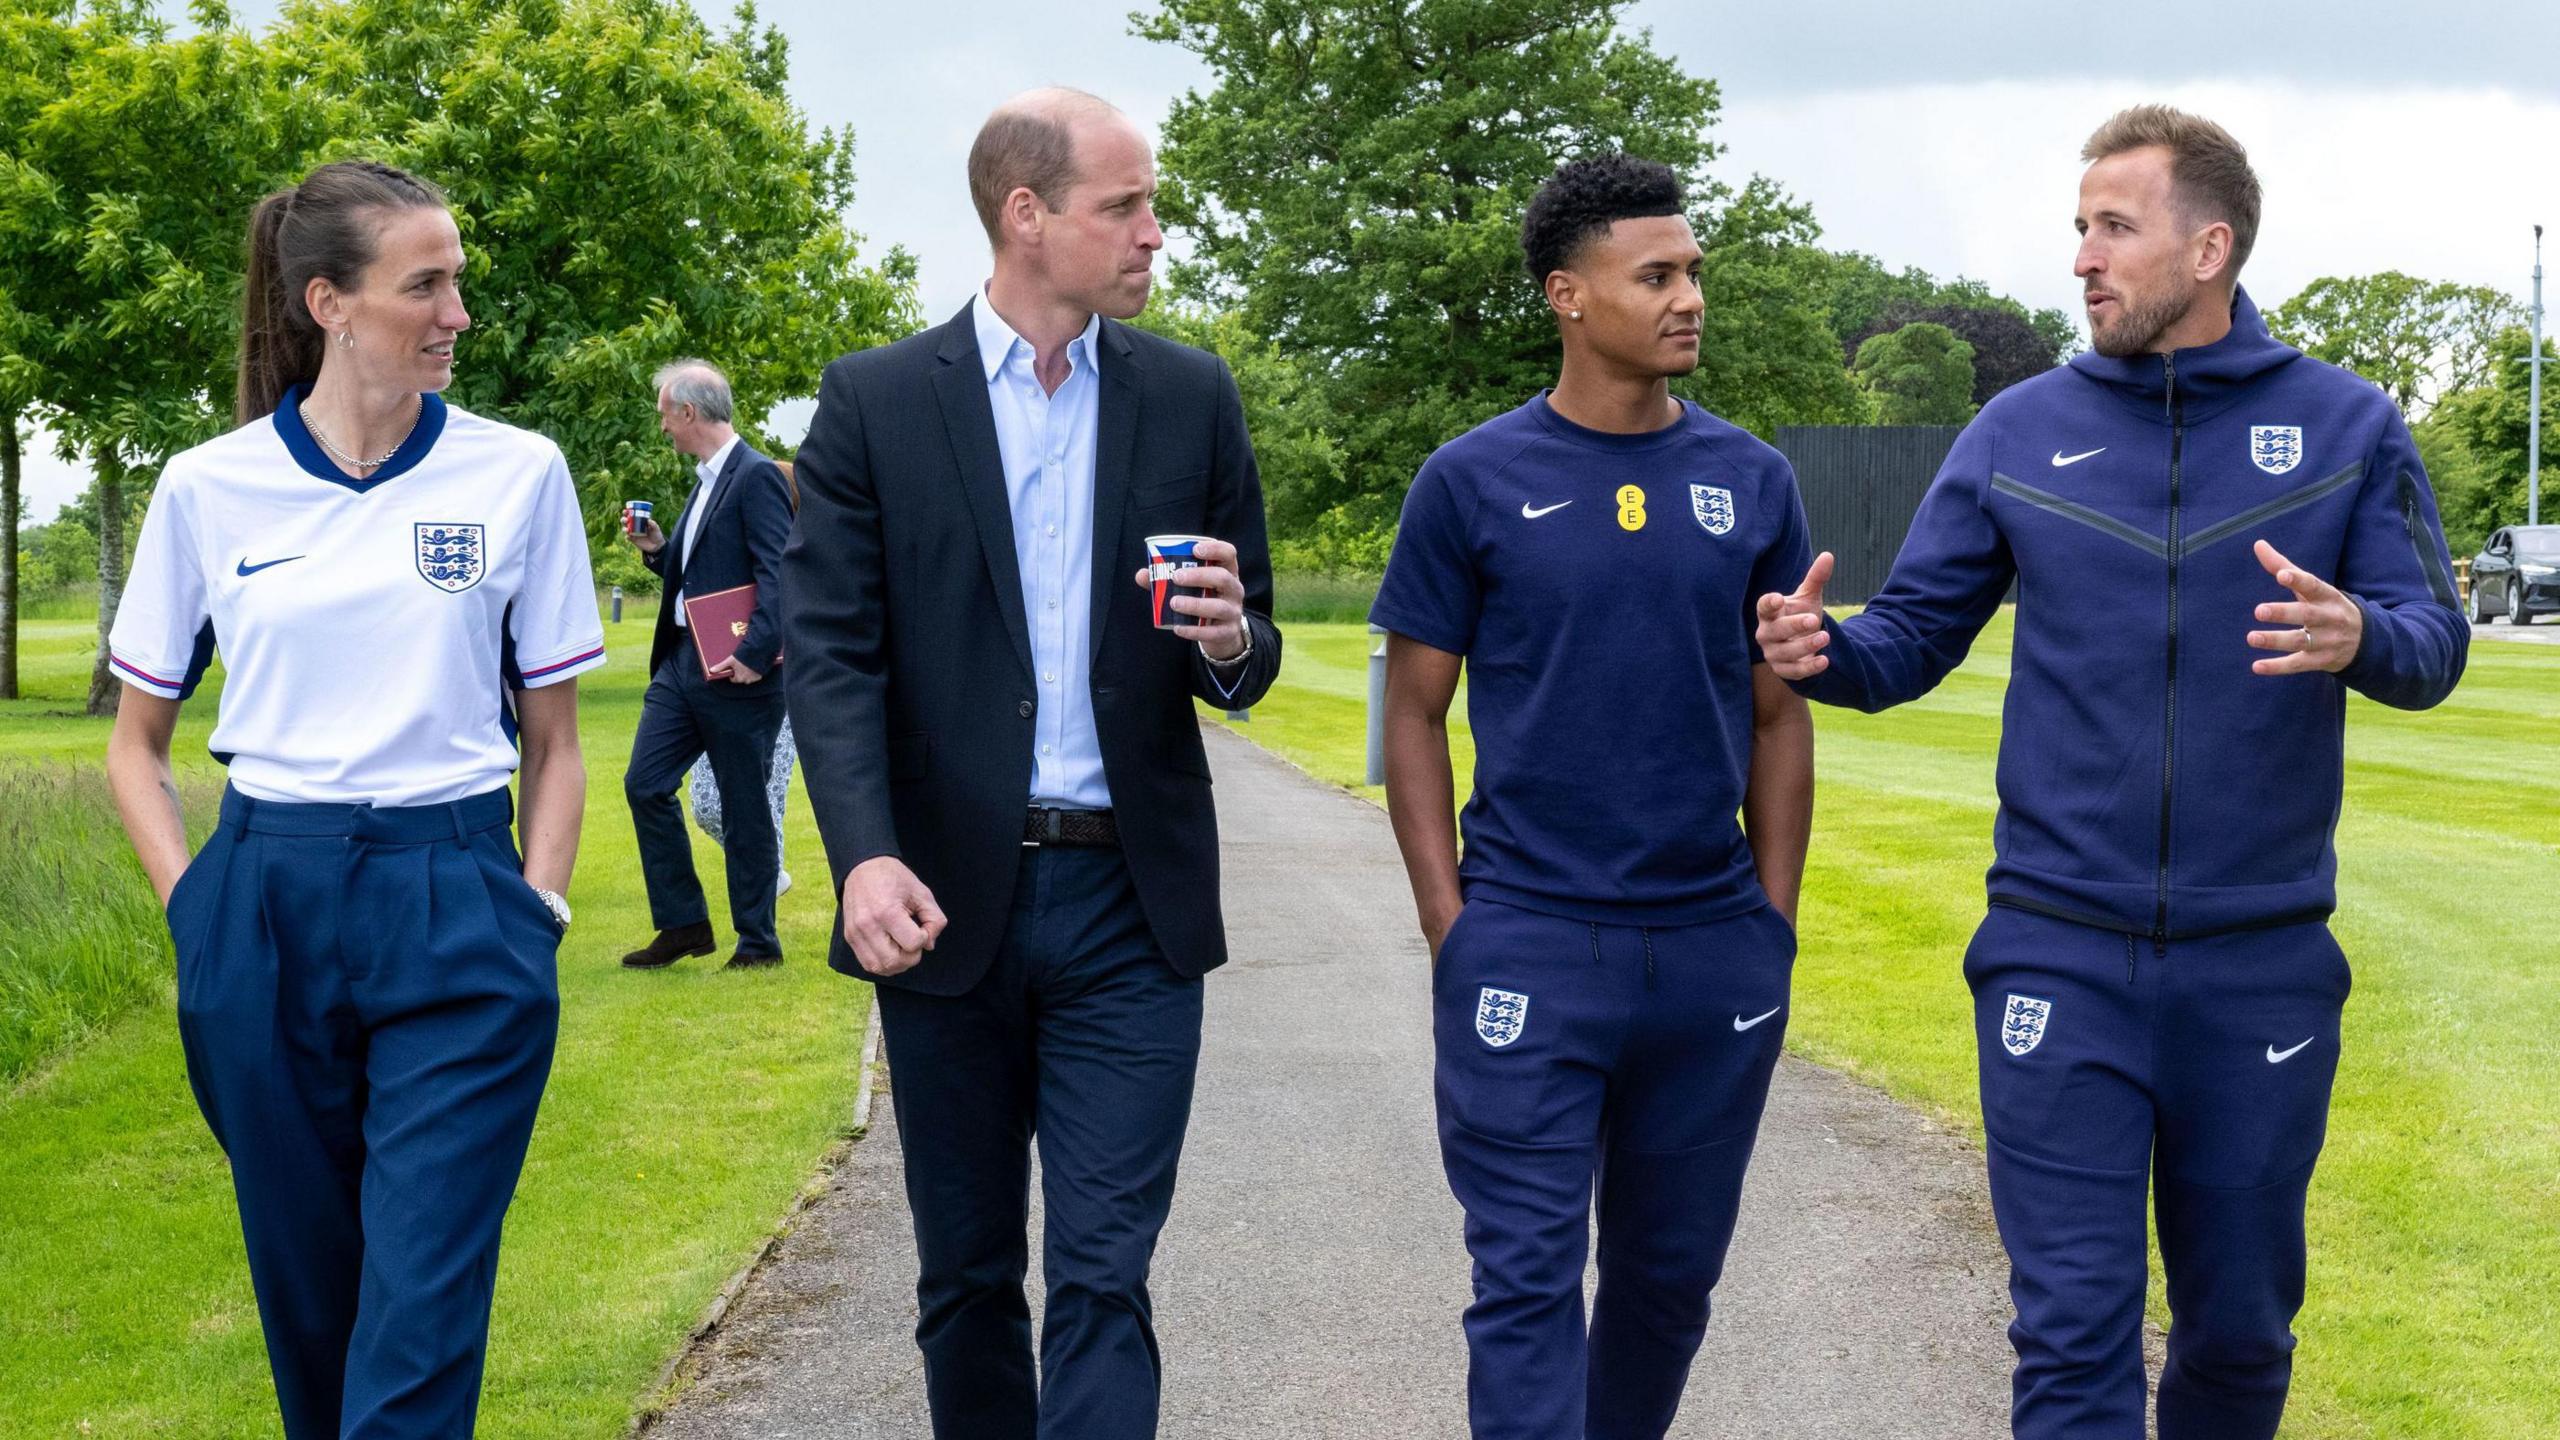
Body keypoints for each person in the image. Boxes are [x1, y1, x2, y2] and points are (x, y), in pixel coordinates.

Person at [1756, 106, 2468, 1439]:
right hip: (2056, 953)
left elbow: (2433, 646)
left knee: (2242, 1337)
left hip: (2259, 961)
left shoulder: (2346, 425)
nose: (2083, 257)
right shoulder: (2018, 430)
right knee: (2072, 1331)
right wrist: (1821, 654)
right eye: (2078, 227)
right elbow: (1908, 642)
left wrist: (2361, 633)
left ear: (2211, 247)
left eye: (2114, 227)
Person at [782, 87, 1280, 1440]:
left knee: (1106, 1275)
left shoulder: (1191, 393)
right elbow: (831, 657)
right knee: (967, 1277)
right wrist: (863, 854)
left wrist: (1235, 638)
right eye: (1124, 206)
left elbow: (1249, 645)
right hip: (945, 902)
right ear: (1026, 214)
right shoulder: (877, 404)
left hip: (1133, 905)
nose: (1154, 234)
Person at [102, 159, 602, 1440]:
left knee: (421, 1299)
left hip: (458, 901)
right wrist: (197, 909)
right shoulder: (208, 487)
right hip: (263, 903)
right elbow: (139, 743)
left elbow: (554, 741)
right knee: (311, 1304)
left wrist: (534, 909)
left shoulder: (519, 473)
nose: (458, 315)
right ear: (329, 301)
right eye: (425, 286)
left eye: (458, 283)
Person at [1372, 154, 1816, 1440]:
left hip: (1710, 954)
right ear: (1569, 294)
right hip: (1527, 941)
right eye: (1656, 275)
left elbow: (1778, 714)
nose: (1688, 299)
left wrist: (1768, 924)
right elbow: (1412, 712)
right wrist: (1451, 926)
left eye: (1692, 274)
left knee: (1669, 1287)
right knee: (1522, 1282)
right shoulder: (1468, 480)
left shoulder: (1756, 483)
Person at [619, 360, 794, 970]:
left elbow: (781, 572)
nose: (662, 426)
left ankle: (758, 944)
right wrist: (658, 552)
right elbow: (700, 577)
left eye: (665, 413)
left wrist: (753, 654)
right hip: (680, 667)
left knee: (746, 808)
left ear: (688, 412)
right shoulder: (706, 480)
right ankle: (685, 924)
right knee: (644, 785)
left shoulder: (755, 476)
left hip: (737, 673)